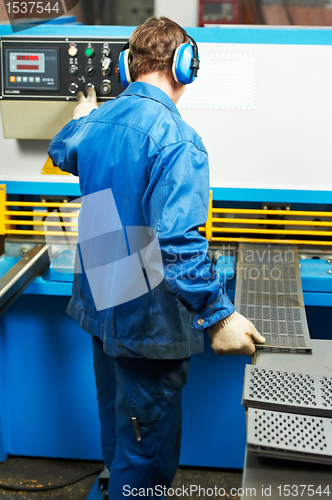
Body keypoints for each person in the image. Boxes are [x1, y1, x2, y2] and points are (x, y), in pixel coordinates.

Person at [48, 17, 265, 499]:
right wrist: (218, 314)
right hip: (147, 320)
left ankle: (115, 482)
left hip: (104, 304)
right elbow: (177, 243)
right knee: (146, 452)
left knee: (119, 426)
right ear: (186, 68)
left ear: (130, 65)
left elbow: (60, 148)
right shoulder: (178, 139)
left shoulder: (97, 123)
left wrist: (86, 113)